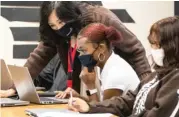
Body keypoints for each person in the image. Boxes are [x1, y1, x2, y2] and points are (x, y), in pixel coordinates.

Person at [0, 1, 151, 97]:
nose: (59, 28)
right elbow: (39, 56)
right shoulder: (58, 33)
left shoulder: (99, 17)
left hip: (117, 79)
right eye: (53, 25)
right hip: (95, 87)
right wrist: (16, 87)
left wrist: (148, 88)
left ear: (70, 15)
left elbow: (135, 50)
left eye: (60, 22)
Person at [68, 16, 179, 117]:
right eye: (152, 44)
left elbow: (158, 114)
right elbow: (126, 102)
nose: (153, 49)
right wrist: (89, 107)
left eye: (157, 45)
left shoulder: (176, 79)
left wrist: (91, 91)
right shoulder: (156, 75)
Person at [56, 23, 139, 102]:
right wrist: (78, 97)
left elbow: (103, 112)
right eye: (79, 51)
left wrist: (90, 86)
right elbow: (99, 105)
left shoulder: (115, 73)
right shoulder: (106, 65)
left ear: (101, 48)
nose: (80, 56)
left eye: (84, 51)